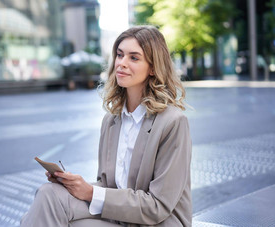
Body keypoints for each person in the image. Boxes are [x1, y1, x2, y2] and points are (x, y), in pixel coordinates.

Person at [21, 25, 192, 227]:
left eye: (134, 58)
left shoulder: (172, 122)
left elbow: (158, 206)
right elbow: (108, 186)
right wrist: (74, 184)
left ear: (153, 67)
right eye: (120, 55)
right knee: (48, 194)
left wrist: (91, 192)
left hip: (156, 222)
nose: (122, 63)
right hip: (121, 215)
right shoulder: (112, 121)